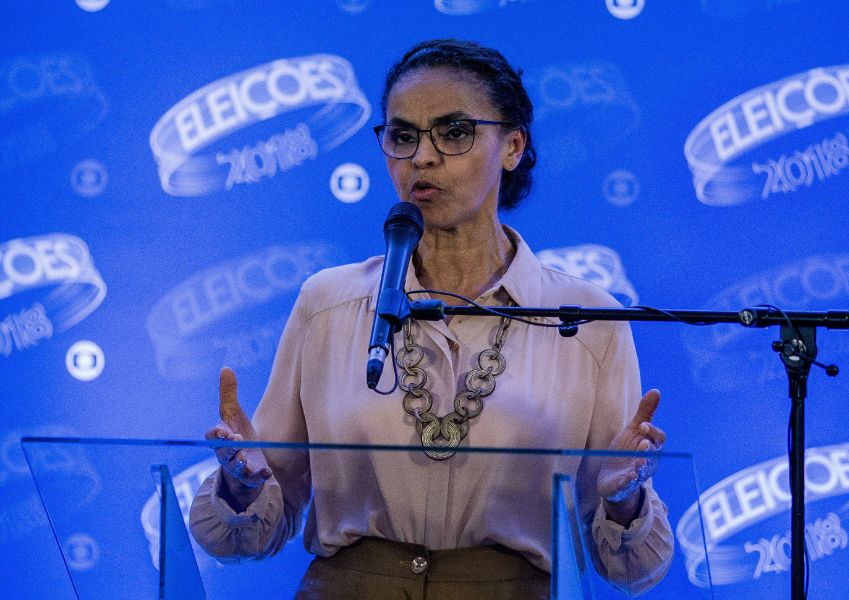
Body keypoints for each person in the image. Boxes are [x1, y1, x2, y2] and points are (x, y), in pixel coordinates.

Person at [190, 39, 674, 599]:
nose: (422, 156)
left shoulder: (587, 320)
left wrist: (624, 499)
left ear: (513, 145)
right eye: (403, 136)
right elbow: (251, 533)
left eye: (454, 132)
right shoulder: (328, 304)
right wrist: (243, 485)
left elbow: (631, 569)